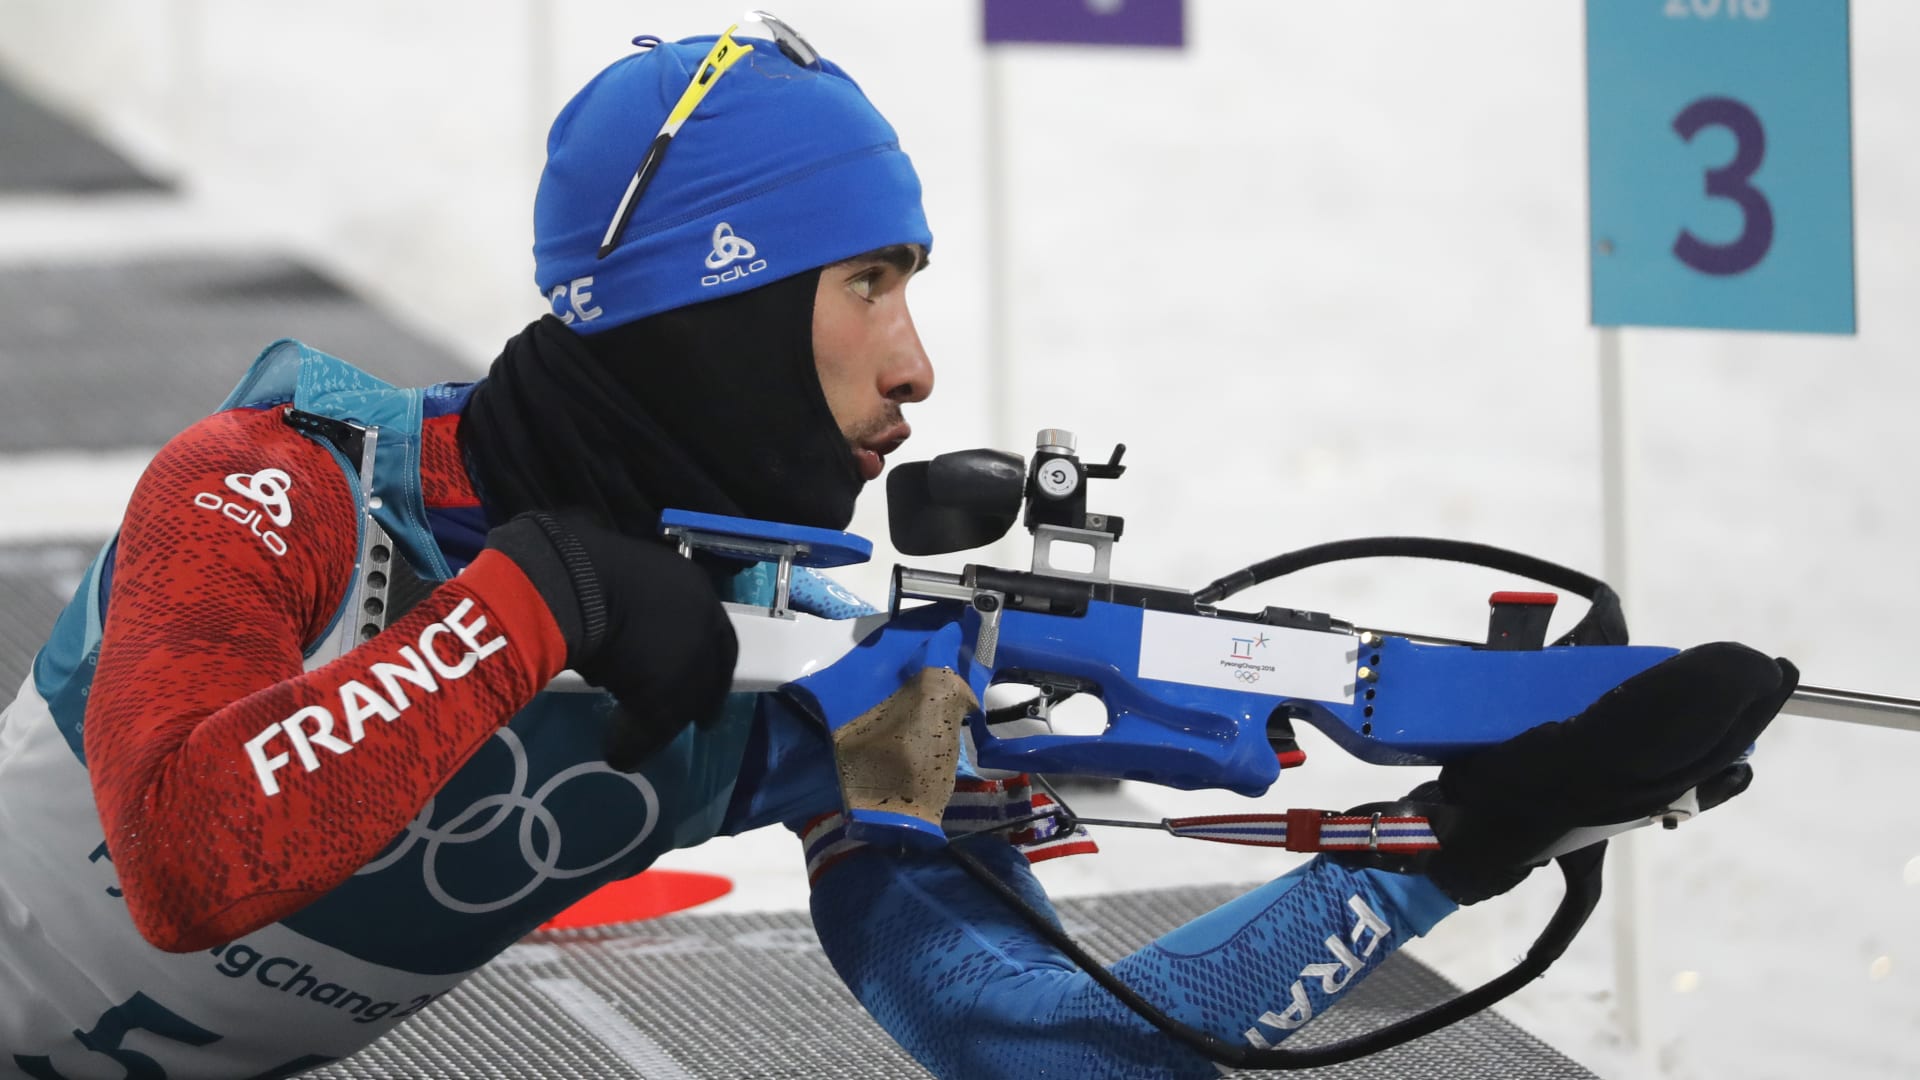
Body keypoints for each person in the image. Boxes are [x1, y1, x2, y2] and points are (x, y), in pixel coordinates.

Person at [0, 21, 1797, 1080]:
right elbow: (189, 849)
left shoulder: (799, 681)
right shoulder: (272, 489)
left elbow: (1037, 1044)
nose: (918, 367)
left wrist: (1435, 849)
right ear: (710, 306)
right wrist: (532, 609)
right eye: (866, 283)